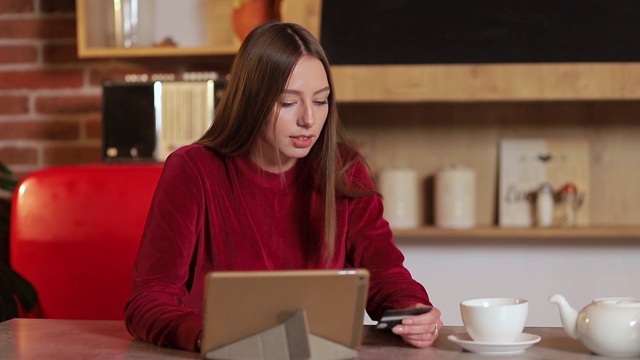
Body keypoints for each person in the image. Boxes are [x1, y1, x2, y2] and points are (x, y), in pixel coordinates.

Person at [124, 21, 443, 352]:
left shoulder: (344, 169)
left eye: (320, 101)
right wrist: (209, 336)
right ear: (252, 101)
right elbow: (148, 301)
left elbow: (385, 274)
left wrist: (413, 311)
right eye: (289, 103)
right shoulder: (193, 170)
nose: (308, 119)